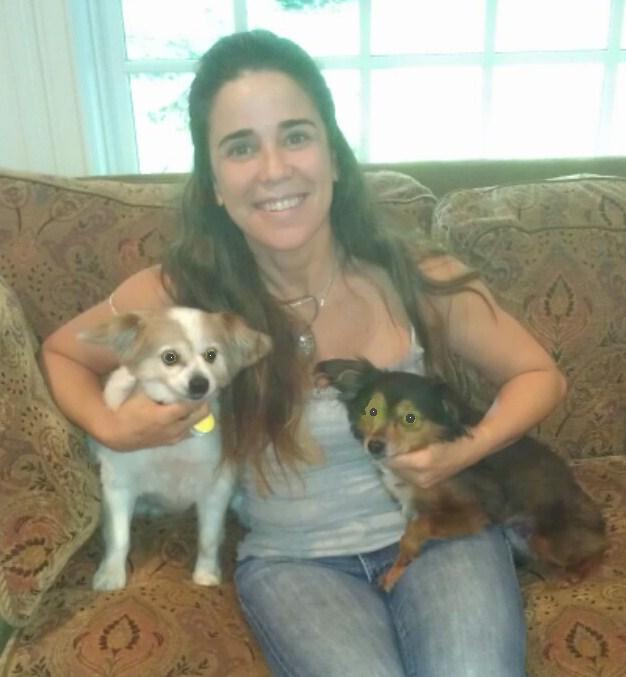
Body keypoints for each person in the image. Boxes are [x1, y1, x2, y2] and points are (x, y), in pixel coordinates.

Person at [41, 30, 567, 677]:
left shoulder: (414, 275)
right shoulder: (181, 295)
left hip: (440, 530)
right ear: (214, 182)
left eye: (295, 136)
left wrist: (464, 451)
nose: (273, 169)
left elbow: (539, 374)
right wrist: (113, 426)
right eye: (241, 147)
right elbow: (64, 352)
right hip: (295, 563)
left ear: (333, 156)